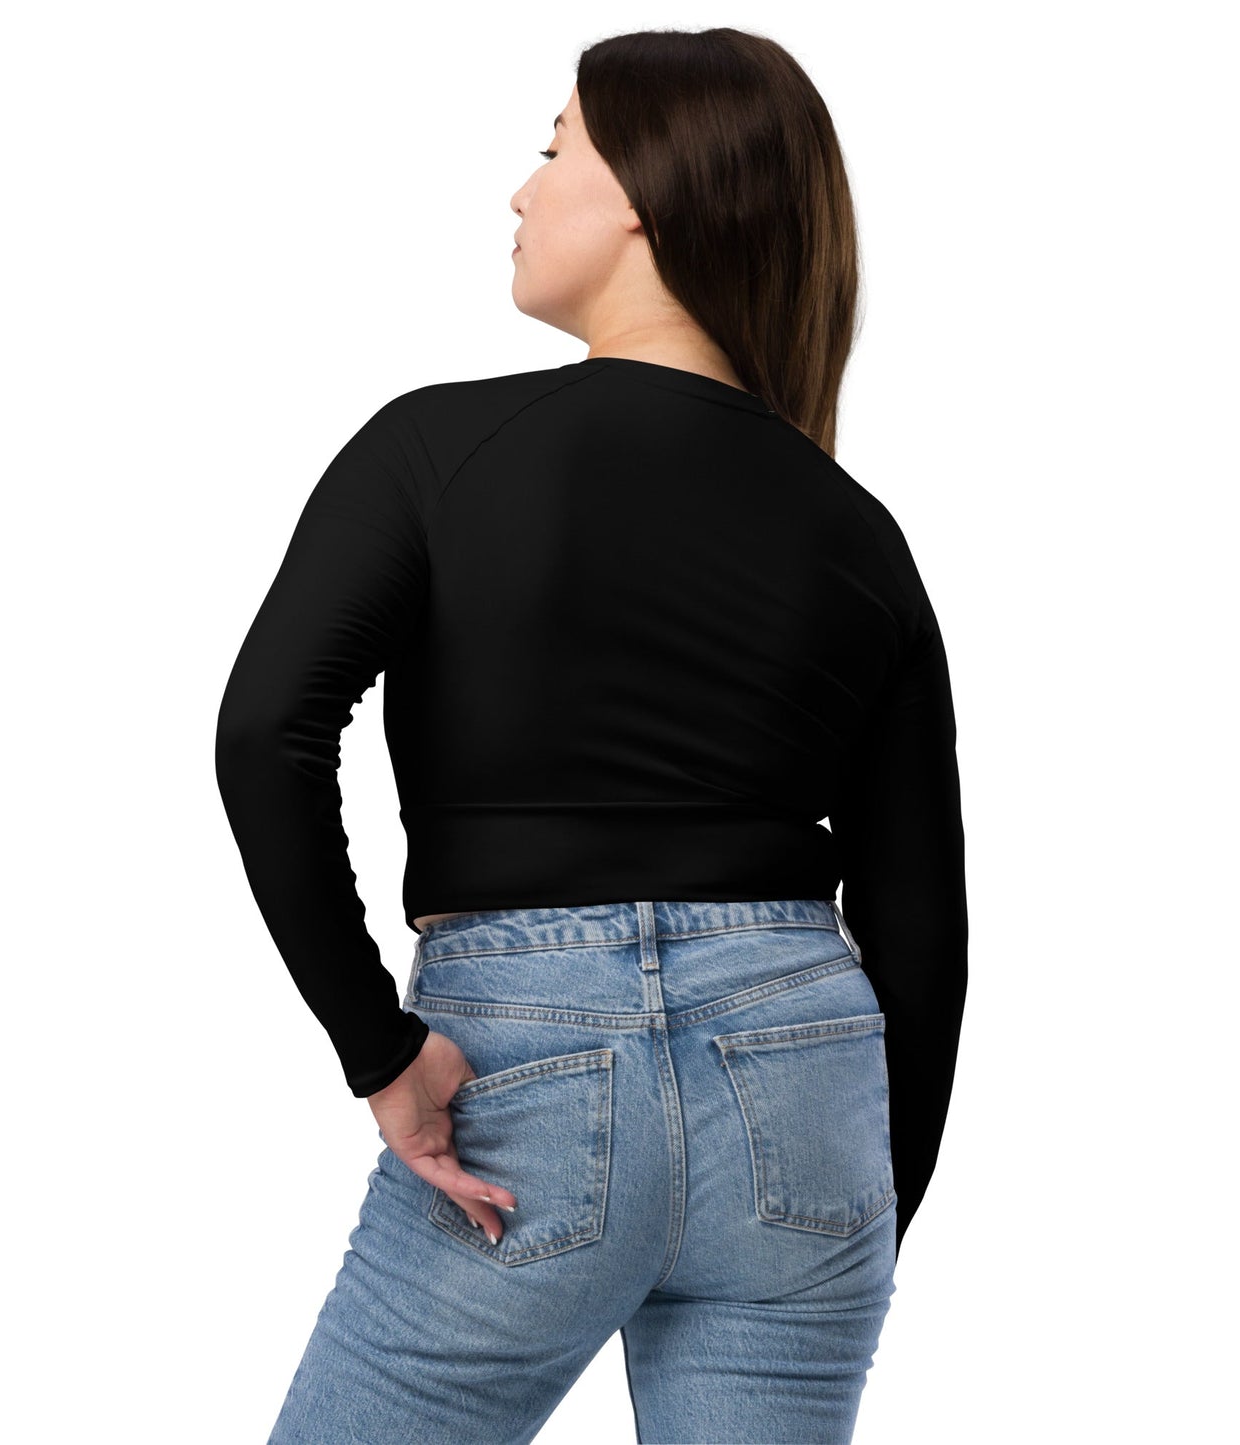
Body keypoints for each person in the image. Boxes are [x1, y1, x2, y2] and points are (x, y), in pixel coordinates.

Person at [215, 26, 967, 1445]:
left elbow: (266, 734)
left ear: (639, 190)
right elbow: (920, 921)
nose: (520, 190)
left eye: (553, 145)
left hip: (526, 1070)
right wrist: (857, 1214)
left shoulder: (438, 448)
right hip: (802, 1081)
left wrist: (378, 1050)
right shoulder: (853, 529)